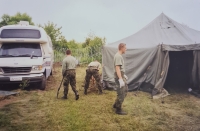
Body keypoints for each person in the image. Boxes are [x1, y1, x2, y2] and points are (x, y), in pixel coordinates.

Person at [113, 43, 128, 115]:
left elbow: (120, 68)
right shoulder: (118, 56)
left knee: (124, 91)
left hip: (120, 75)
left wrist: (123, 75)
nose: (126, 49)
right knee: (122, 93)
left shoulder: (119, 56)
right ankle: (118, 109)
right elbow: (117, 68)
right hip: (119, 77)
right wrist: (120, 79)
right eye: (125, 48)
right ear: (121, 48)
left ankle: (116, 104)